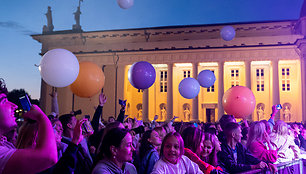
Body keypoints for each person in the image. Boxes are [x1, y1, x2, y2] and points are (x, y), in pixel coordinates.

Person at [0, 78, 57, 173]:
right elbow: (49, 157)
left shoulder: (4, 144)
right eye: (4, 101)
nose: (14, 105)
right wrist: (41, 117)